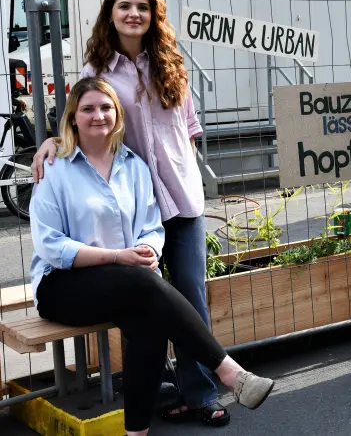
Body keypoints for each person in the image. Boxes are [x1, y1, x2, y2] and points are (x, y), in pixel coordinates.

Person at [31, 0, 230, 425]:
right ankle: (159, 391)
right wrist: (48, 143)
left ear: (152, 13)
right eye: (124, 6)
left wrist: (183, 172)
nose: (133, 14)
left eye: (142, 6)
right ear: (111, 14)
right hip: (135, 201)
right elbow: (81, 117)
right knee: (150, 295)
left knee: (191, 295)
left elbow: (190, 129)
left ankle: (200, 393)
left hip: (181, 199)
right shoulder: (96, 71)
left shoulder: (171, 64)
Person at [29, 77, 274, 436]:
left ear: (117, 114)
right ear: (72, 117)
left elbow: (150, 228)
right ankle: (228, 371)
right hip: (61, 285)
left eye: (106, 107)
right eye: (87, 109)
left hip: (129, 283)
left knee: (148, 318)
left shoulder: (134, 167)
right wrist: (118, 257)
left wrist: (147, 252)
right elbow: (50, 245)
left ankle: (137, 433)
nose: (98, 115)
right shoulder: (54, 168)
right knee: (145, 288)